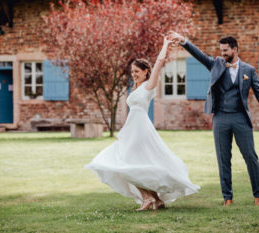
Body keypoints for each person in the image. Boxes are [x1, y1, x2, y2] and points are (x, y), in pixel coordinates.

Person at [85, 36, 199, 211]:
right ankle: (156, 200)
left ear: (146, 71)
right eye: (132, 72)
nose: (134, 74)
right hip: (133, 128)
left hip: (141, 128)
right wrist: (123, 133)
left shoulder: (148, 85)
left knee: (126, 163)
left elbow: (160, 62)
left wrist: (165, 45)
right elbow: (132, 113)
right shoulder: (135, 88)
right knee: (131, 163)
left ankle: (147, 198)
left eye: (137, 71)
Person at [169, 31, 259, 206]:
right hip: (220, 118)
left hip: (241, 118)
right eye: (221, 50)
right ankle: (228, 198)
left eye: (225, 50)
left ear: (235, 49)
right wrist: (184, 42)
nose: (222, 53)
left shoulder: (248, 70)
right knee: (223, 159)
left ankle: (258, 196)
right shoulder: (216, 64)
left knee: (251, 157)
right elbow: (200, 55)